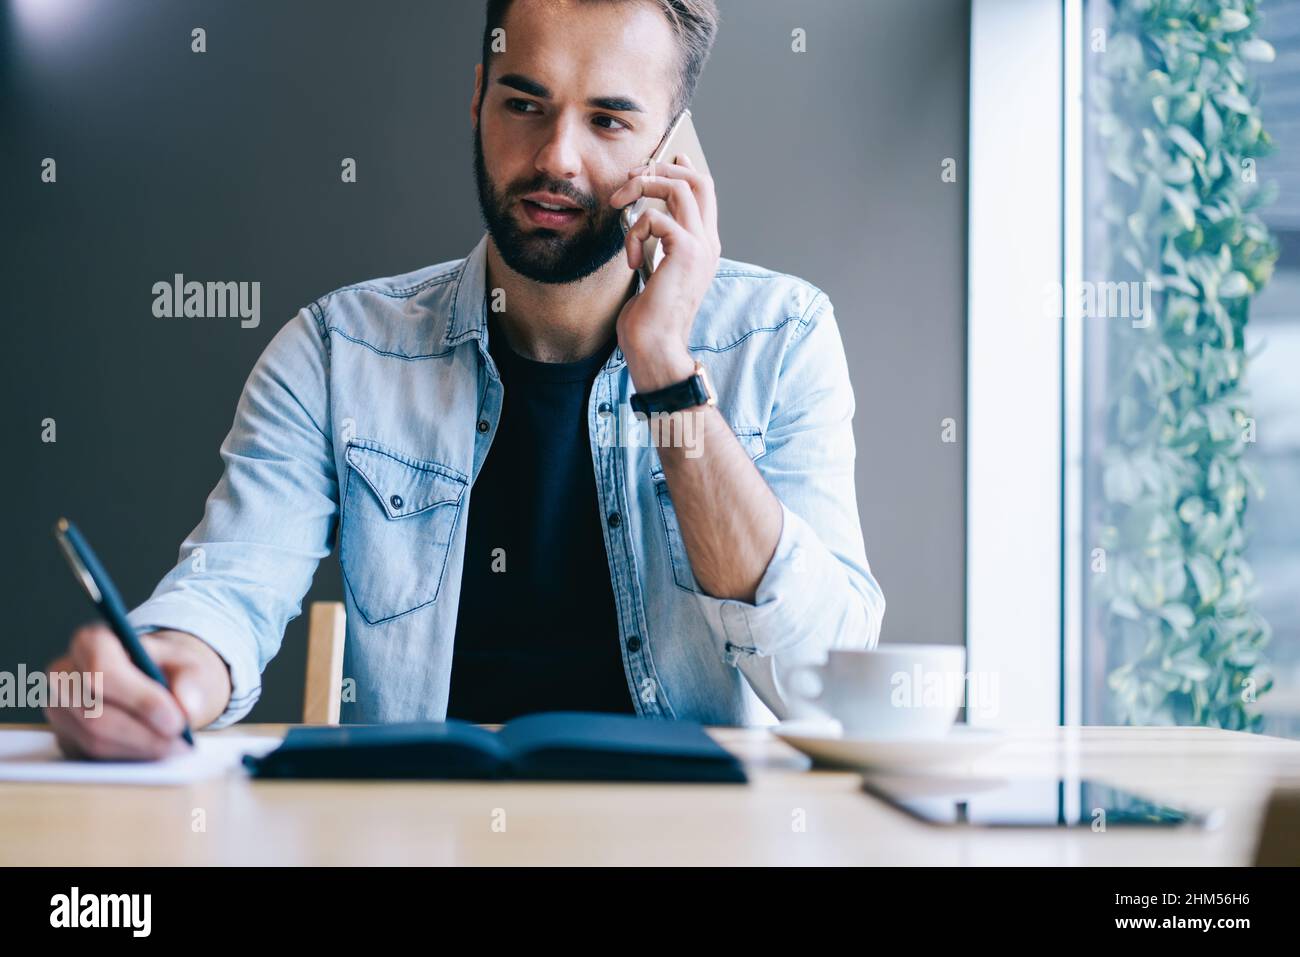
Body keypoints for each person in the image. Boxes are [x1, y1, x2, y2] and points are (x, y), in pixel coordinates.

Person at [45, 0, 884, 760]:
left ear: (673, 148)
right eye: (525, 103)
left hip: (697, 847)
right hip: (421, 841)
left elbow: (824, 684)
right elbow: (229, 588)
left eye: (609, 121)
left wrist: (665, 368)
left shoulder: (781, 339)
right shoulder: (338, 352)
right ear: (479, 95)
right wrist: (168, 675)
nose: (557, 157)